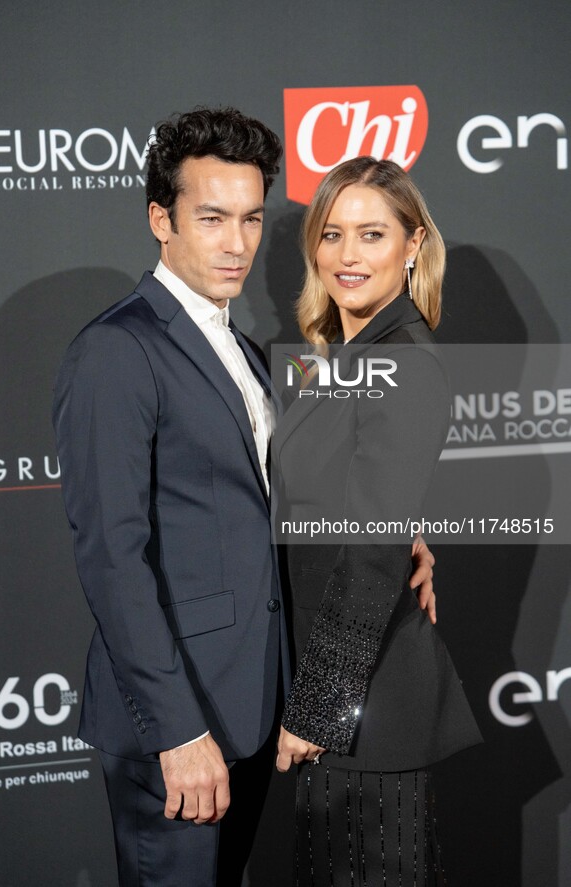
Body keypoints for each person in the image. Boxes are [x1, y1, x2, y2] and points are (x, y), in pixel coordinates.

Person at [53, 109, 437, 887]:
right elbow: (111, 558)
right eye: (211, 218)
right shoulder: (117, 350)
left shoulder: (252, 351)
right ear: (161, 220)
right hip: (181, 722)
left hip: (257, 706)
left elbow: (301, 493)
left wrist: (406, 535)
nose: (236, 243)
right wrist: (176, 730)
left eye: (252, 218)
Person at [274, 156, 482, 886]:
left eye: (371, 234)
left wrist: (317, 709)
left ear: (412, 243)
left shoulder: (404, 363)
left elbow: (368, 553)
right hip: (344, 706)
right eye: (331, 234)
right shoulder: (347, 358)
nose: (347, 255)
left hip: (369, 714)